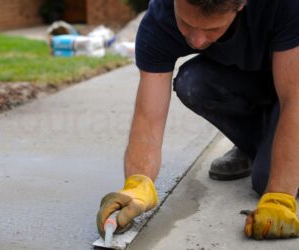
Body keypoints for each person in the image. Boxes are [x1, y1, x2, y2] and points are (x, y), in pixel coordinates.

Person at [97, 0, 299, 240]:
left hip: (291, 84)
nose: (197, 41)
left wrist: (280, 197)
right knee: (192, 83)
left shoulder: (285, 5)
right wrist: (137, 185)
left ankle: (269, 148)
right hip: (256, 81)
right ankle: (256, 146)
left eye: (212, 30)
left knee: (268, 179)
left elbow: (294, 100)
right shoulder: (160, 19)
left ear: (242, 4)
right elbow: (148, 118)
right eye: (186, 24)